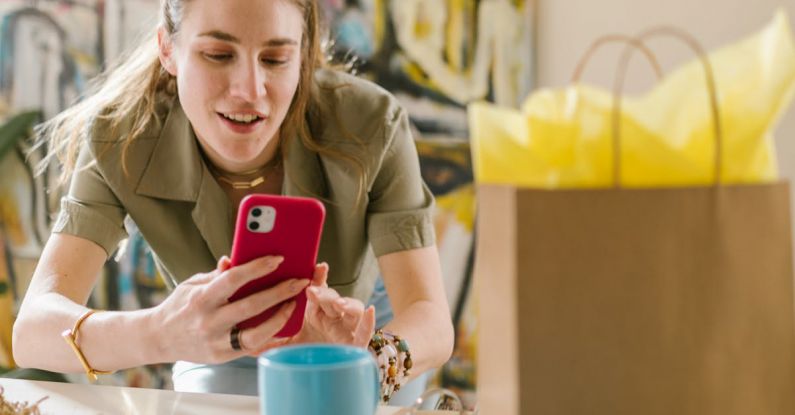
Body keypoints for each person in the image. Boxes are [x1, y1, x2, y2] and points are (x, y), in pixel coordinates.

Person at [11, 0, 454, 402]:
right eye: (218, 55)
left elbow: (430, 319)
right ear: (168, 50)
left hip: (366, 340)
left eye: (276, 59)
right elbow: (33, 331)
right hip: (210, 340)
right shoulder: (120, 138)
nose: (249, 89)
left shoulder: (372, 122)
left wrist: (361, 362)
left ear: (301, 55)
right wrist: (163, 333)